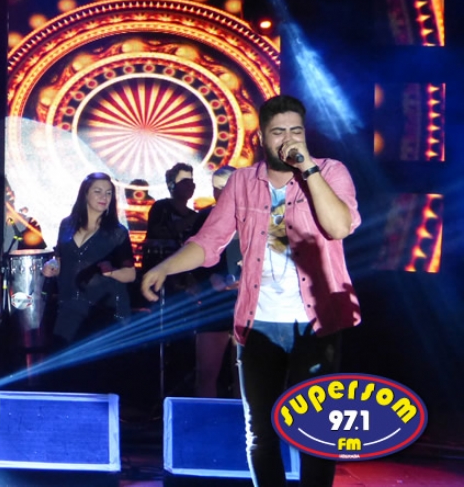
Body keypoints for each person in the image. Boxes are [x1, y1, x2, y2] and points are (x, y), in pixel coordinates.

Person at [141, 95, 361, 487]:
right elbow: (209, 241)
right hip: (259, 321)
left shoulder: (331, 171)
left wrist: (308, 169)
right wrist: (164, 266)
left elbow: (339, 226)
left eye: (296, 131)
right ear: (262, 137)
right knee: (260, 431)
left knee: (317, 432)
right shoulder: (243, 182)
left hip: (316, 323)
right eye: (279, 132)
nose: (288, 139)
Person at [42, 173, 137, 345]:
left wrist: (111, 272)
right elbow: (60, 259)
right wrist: (51, 265)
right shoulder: (67, 225)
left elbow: (130, 274)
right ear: (85, 194)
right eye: (98, 191)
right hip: (68, 307)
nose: (104, 197)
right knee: (63, 353)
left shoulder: (117, 232)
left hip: (103, 310)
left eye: (108, 193)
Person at [186, 165, 241, 399]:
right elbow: (192, 256)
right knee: (207, 372)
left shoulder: (256, 217)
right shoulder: (204, 218)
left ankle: (246, 419)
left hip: (248, 303)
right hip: (214, 304)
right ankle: (206, 418)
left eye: (225, 187)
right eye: (216, 188)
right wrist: (208, 279)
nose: (220, 193)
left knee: (245, 375)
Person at [142, 162, 198, 271]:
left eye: (191, 182)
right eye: (184, 182)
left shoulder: (193, 215)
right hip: (159, 270)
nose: (190, 186)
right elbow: (159, 233)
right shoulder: (160, 207)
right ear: (171, 185)